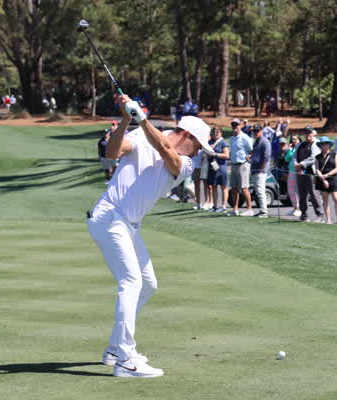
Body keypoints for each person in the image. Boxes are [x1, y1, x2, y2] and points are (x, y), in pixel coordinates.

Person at [87, 94, 211, 378]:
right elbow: (112, 152)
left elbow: (166, 151)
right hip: (109, 217)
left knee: (148, 284)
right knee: (131, 282)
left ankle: (114, 348)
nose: (197, 153)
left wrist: (142, 119)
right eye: (198, 146)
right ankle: (125, 359)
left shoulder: (185, 164)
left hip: (129, 225)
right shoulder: (141, 136)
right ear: (187, 135)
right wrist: (125, 120)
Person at [293, 127, 323, 222]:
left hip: (311, 173)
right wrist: (296, 165)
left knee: (314, 194)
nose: (307, 135)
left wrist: (301, 164)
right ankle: (304, 215)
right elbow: (294, 156)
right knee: (302, 194)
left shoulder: (316, 144)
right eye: (306, 133)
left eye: (309, 133)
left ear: (313, 133)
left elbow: (314, 157)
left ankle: (320, 215)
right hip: (300, 172)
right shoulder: (300, 145)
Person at [228, 118, 254, 216]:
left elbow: (252, 150)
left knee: (244, 188)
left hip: (243, 164)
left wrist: (249, 157)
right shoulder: (232, 138)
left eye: (236, 125)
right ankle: (235, 209)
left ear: (240, 126)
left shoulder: (245, 137)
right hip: (234, 165)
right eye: (233, 125)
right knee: (233, 188)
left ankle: (249, 209)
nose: (234, 127)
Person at [315, 136, 337, 224]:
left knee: (336, 199)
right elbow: (317, 169)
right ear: (320, 145)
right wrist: (323, 180)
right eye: (322, 144)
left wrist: (327, 175)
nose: (324, 145)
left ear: (329, 144)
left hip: (333, 178)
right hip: (322, 179)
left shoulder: (335, 154)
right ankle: (328, 220)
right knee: (325, 201)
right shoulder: (317, 157)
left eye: (326, 143)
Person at [206, 126, 230, 212]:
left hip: (221, 167)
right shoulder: (210, 142)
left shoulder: (223, 142)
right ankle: (215, 206)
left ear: (221, 133)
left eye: (217, 132)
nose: (215, 133)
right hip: (212, 167)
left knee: (223, 187)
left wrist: (215, 154)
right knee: (214, 186)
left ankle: (224, 207)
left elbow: (227, 155)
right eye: (214, 132)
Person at [250, 124, 272, 218]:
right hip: (255, 169)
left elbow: (267, 156)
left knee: (260, 190)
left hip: (260, 170)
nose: (255, 133)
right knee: (258, 191)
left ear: (261, 131)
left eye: (257, 131)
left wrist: (263, 167)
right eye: (254, 131)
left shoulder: (264, 141)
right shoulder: (256, 141)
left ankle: (264, 211)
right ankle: (262, 210)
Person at [284, 135, 301, 216]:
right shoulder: (292, 149)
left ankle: (299, 208)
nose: (294, 140)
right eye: (292, 139)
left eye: (295, 139)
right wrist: (289, 149)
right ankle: (295, 208)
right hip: (291, 171)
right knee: (291, 191)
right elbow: (286, 159)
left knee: (297, 191)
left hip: (298, 172)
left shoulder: (300, 148)